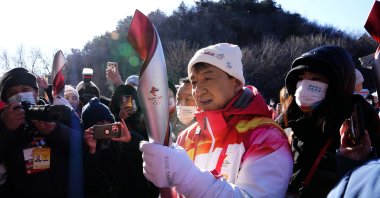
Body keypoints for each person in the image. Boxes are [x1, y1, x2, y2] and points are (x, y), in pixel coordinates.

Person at [140, 43, 293, 197]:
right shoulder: (187, 137)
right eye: (194, 82)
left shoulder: (266, 137)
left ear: (236, 83)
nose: (198, 91)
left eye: (208, 78)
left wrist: (186, 176)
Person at [278, 45, 380, 197]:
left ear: (337, 83)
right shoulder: (287, 122)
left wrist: (355, 163)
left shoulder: (361, 126)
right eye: (300, 79)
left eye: (316, 79)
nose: (304, 86)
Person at [0, 67, 83, 197]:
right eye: (12, 92)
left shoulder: (59, 112)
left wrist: (55, 130)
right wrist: (5, 128)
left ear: (36, 91)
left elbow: (84, 144)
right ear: (6, 100)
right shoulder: (3, 122)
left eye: (25, 89)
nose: (20, 95)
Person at [83, 97, 158, 197]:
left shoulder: (129, 137)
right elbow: (92, 185)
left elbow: (153, 157)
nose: (105, 126)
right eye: (98, 124)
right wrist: (92, 152)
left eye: (107, 121)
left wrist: (131, 141)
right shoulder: (86, 150)